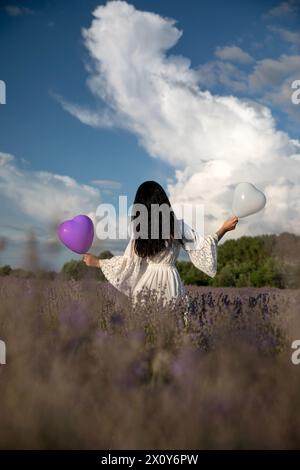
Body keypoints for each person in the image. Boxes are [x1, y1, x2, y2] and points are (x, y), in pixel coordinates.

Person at [83, 181, 238, 309]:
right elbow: (202, 245)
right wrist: (223, 229)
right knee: (175, 327)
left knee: (147, 331)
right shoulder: (177, 227)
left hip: (146, 286)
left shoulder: (140, 234)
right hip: (171, 281)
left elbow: (126, 264)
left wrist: (97, 262)